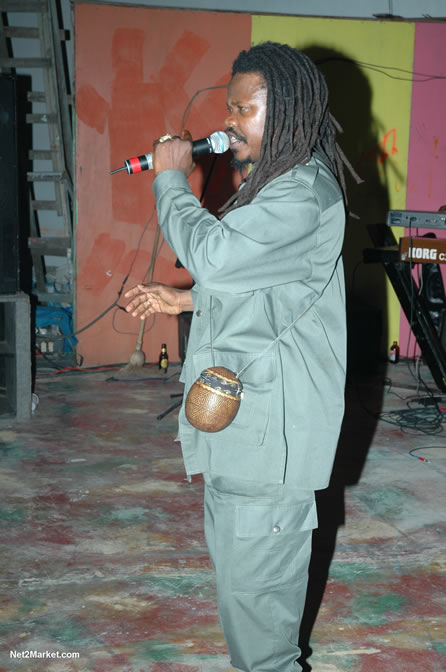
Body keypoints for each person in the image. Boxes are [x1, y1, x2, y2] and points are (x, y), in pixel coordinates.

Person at [125, 42, 360, 672]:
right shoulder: (278, 185)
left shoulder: (301, 193)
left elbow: (216, 256)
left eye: (242, 109)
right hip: (244, 436)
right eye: (228, 109)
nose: (227, 123)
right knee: (244, 600)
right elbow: (266, 290)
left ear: (285, 112)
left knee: (261, 637)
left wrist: (170, 177)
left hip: (268, 446)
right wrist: (185, 300)